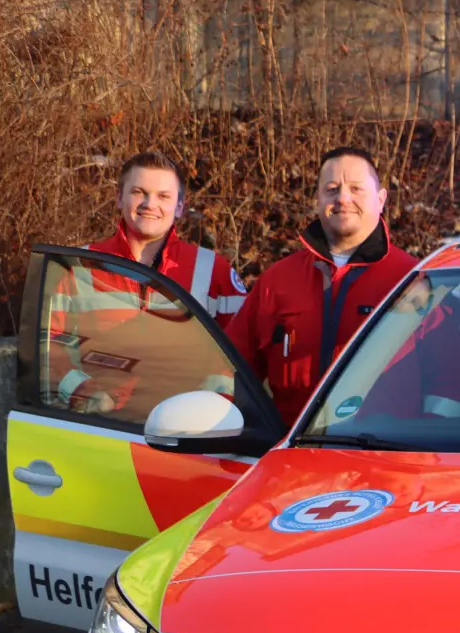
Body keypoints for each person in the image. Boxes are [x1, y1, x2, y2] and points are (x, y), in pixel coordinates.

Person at [226, 146, 421, 426]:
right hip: (292, 446)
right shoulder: (278, 280)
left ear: (380, 199)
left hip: (385, 447)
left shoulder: (412, 279)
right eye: (331, 189)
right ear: (317, 199)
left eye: (356, 188)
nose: (343, 198)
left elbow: (449, 375)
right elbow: (233, 368)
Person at [50, 151, 247, 413]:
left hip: (188, 426)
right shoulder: (77, 266)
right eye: (138, 192)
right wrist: (82, 391)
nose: (149, 204)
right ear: (119, 198)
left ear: (179, 206)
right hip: (102, 422)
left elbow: (243, 349)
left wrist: (215, 400)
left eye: (163, 196)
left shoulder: (214, 271)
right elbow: (49, 343)